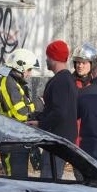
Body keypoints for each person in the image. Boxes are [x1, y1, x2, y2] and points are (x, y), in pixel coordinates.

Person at [29, 40, 78, 180]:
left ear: (53, 58)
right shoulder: (67, 79)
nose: (46, 60)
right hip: (62, 137)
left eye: (48, 57)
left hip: (58, 139)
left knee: (49, 178)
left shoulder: (61, 81)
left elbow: (60, 111)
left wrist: (41, 124)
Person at [0, 48, 41, 178]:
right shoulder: (8, 83)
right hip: (11, 142)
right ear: (20, 67)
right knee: (14, 181)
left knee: (20, 180)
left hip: (17, 140)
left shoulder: (16, 83)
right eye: (29, 69)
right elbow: (21, 114)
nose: (30, 74)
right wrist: (39, 103)